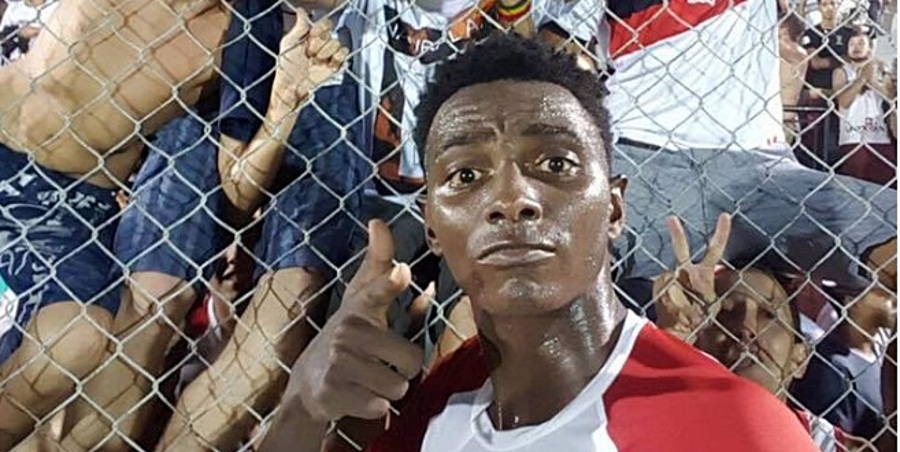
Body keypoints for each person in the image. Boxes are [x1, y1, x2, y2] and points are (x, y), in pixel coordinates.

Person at [259, 34, 819, 452]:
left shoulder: (730, 428)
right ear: (431, 225)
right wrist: (300, 409)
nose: (512, 199)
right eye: (466, 175)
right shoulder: (432, 412)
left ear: (614, 207)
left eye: (555, 163)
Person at [601, 0, 896, 295]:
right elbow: (573, 52)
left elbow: (798, 34)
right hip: (646, 151)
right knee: (583, 269)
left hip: (763, 164)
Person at [792, 284, 896, 440]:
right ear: (852, 300)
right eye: (884, 290)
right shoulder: (832, 367)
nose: (894, 297)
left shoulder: (875, 353)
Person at [833, 28, 897, 186]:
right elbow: (843, 102)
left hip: (880, 136)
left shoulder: (881, 70)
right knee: (857, 184)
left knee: (885, 183)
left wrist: (873, 79)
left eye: (861, 43)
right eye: (852, 44)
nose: (856, 47)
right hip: (853, 136)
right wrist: (861, 79)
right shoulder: (841, 71)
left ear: (870, 48)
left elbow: (890, 96)